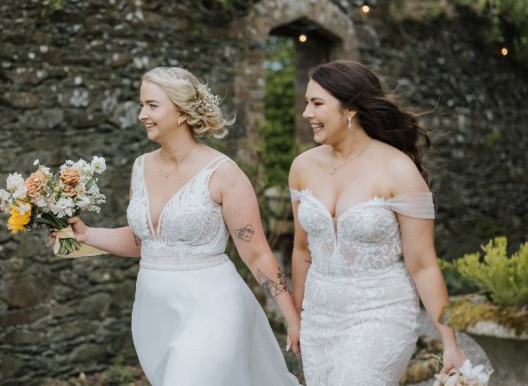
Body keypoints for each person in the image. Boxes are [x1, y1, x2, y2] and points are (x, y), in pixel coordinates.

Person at [61, 67, 301, 386]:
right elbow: (142, 240)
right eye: (141, 105)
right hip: (154, 313)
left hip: (212, 308)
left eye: (151, 105)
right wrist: (87, 234)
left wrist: (292, 318)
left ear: (181, 113)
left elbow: (257, 254)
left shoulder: (223, 173)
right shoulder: (140, 166)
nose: (141, 114)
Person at [289, 60, 466, 386]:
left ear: (350, 109)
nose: (306, 114)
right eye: (306, 103)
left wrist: (449, 341)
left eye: (316, 103)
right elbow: (302, 251)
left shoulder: (398, 170)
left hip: (381, 312)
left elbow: (423, 265)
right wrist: (296, 317)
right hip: (319, 317)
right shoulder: (302, 167)